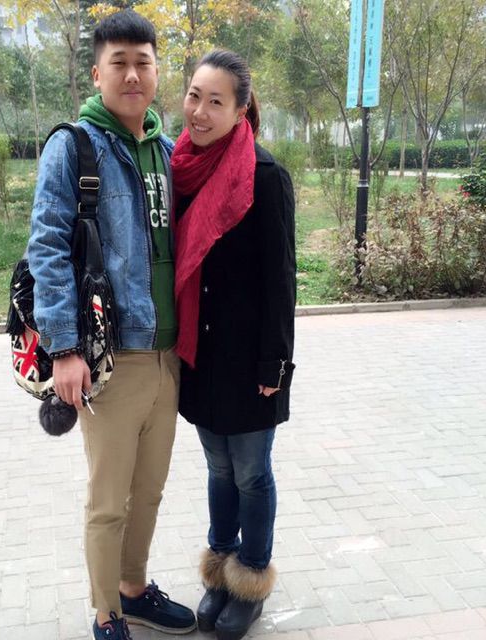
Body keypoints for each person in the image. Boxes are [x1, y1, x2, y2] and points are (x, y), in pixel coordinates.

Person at [27, 10, 196, 640]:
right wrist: (63, 347)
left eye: (142, 63)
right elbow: (47, 247)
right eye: (118, 63)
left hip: (166, 355)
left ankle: (134, 589)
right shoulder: (74, 146)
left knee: (148, 492)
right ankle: (106, 615)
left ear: (157, 72)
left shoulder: (169, 151)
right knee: (109, 502)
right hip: (109, 358)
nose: (131, 75)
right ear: (97, 74)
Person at [171, 49, 296, 640]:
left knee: (251, 473)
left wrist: (275, 363)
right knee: (218, 469)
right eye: (194, 95)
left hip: (249, 361)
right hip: (201, 354)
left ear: (241, 110)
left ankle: (250, 576)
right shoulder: (181, 168)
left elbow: (281, 279)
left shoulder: (266, 177)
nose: (199, 111)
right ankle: (220, 568)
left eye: (215, 101)